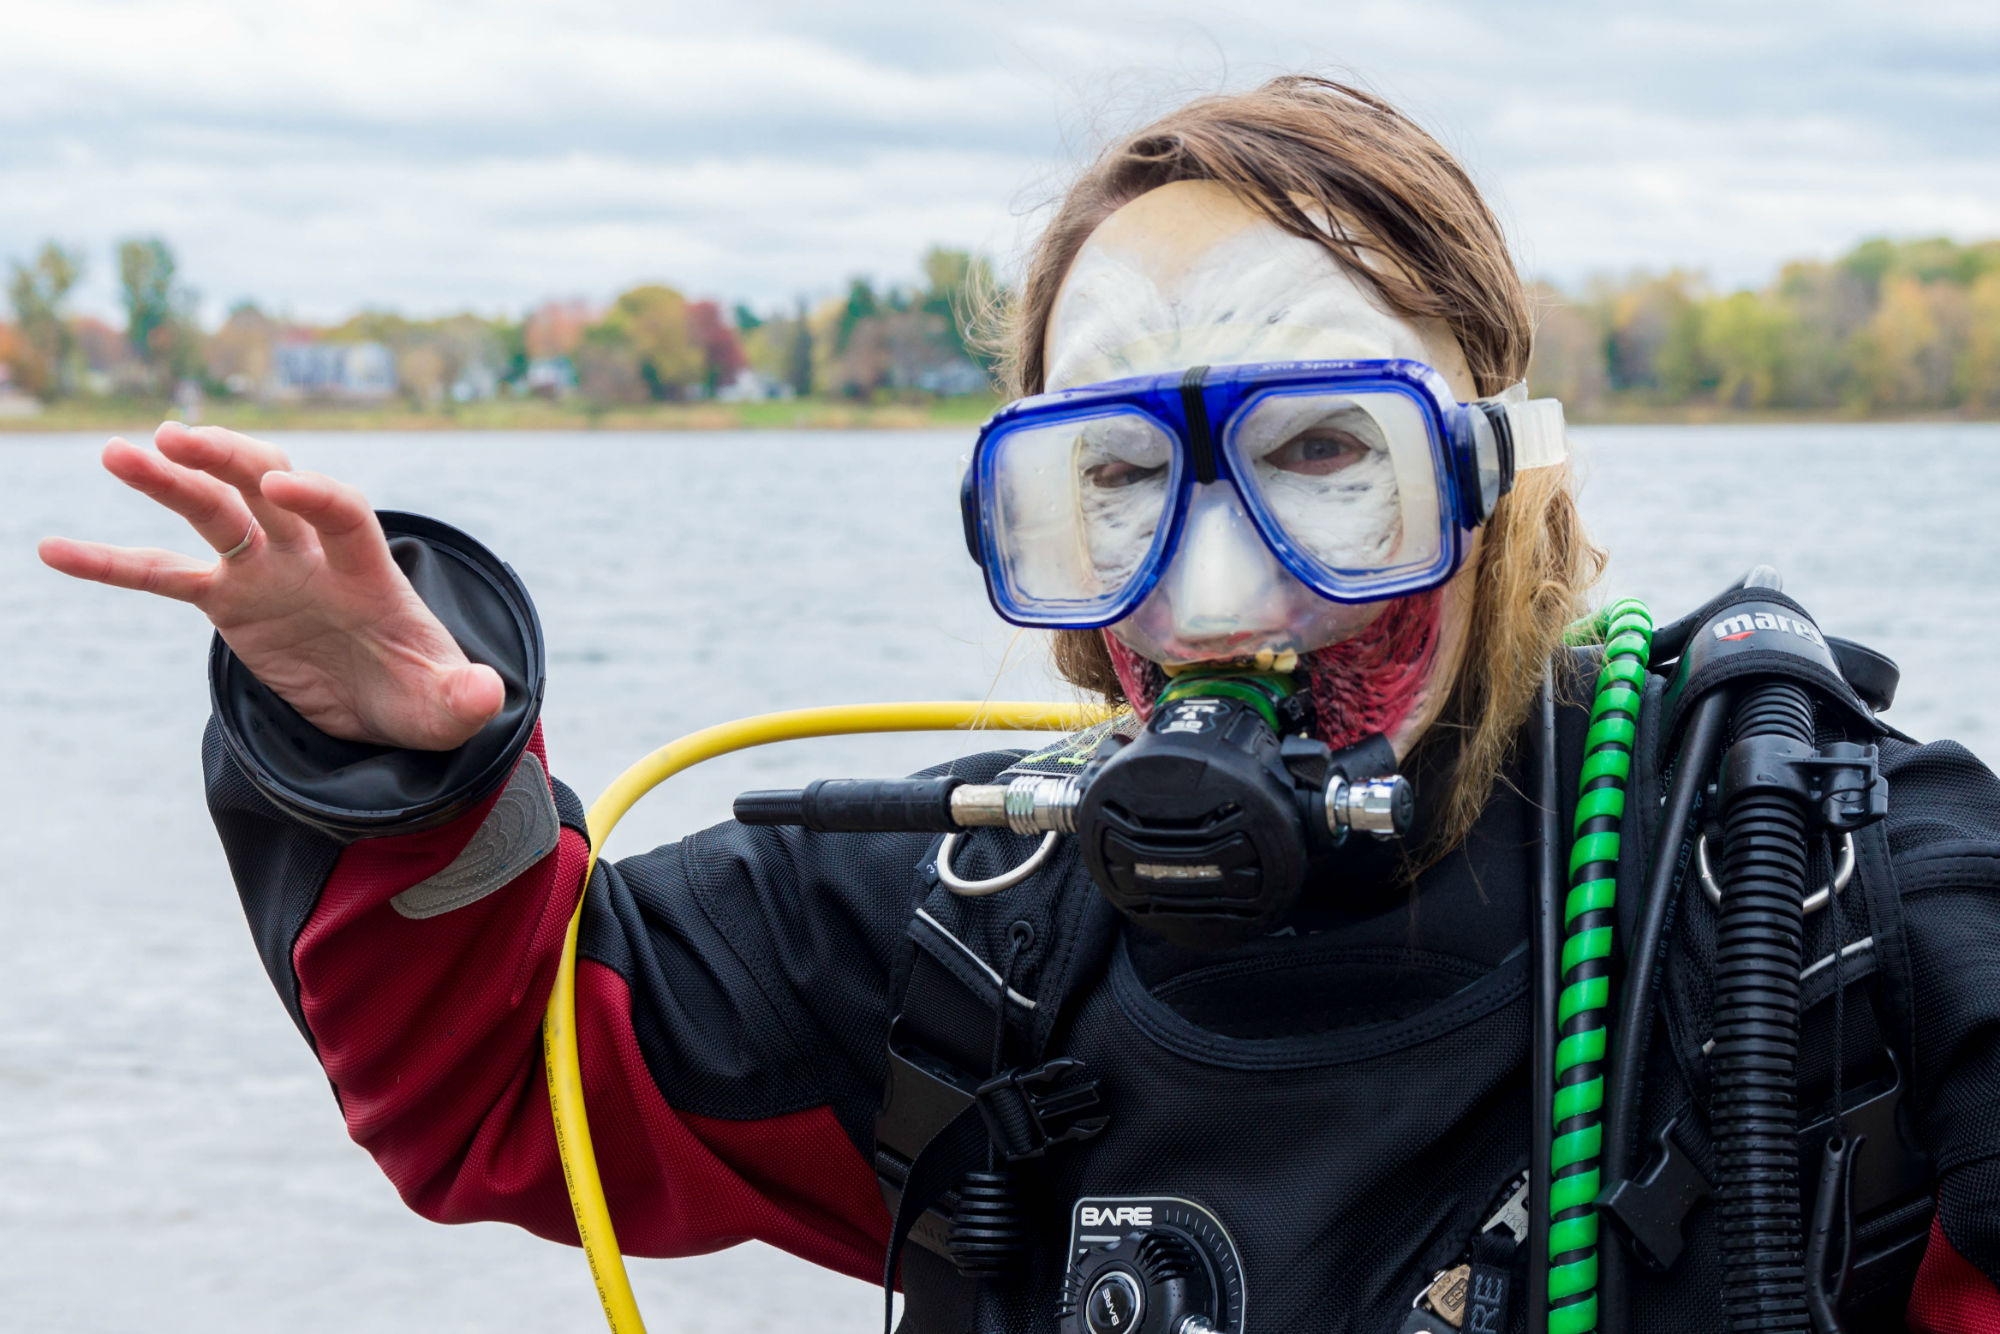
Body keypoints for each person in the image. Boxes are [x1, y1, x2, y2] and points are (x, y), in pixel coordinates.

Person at [38, 77, 2000, 1334]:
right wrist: (394, 757)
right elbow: (505, 1073)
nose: (1219, 588)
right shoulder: (965, 943)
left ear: (1497, 480)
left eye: (1331, 454)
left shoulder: (1818, 926)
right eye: (1115, 491)